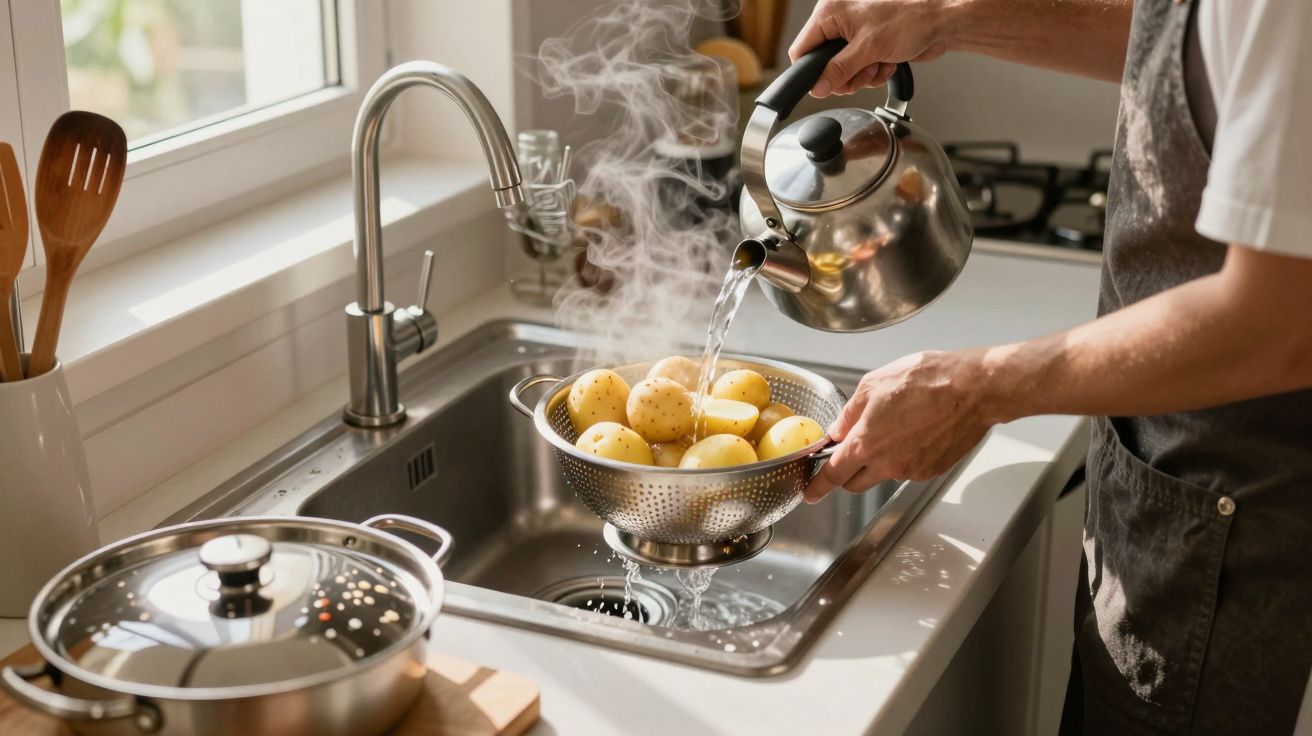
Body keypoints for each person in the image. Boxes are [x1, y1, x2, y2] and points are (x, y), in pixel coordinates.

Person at [789, 0, 1312, 733]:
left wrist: (979, 389)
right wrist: (940, 17)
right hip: (1167, 484)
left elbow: (1280, 323)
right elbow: (1183, 48)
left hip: (1237, 528)